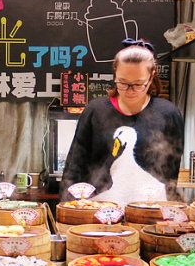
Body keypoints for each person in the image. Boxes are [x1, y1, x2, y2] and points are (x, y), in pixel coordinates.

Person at [60, 39, 184, 206]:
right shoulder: (95, 111)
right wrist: (69, 210)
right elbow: (74, 167)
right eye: (123, 83)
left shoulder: (168, 114)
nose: (130, 90)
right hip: (98, 209)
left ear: (152, 75)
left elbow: (170, 173)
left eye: (139, 84)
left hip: (149, 209)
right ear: (115, 74)